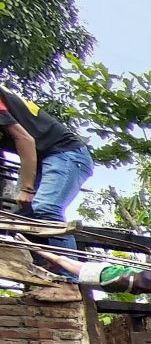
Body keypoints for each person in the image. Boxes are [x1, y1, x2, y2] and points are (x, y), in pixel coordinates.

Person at [0, 85, 93, 249]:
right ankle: (42, 265)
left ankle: (70, 272)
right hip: (42, 158)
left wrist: (27, 189)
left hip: (66, 153)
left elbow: (25, 140)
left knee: (45, 208)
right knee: (20, 219)